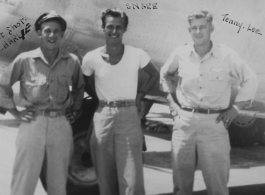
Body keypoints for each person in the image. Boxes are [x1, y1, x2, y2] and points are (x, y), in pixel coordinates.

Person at [160, 10, 259, 195]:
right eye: (194, 28)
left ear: (211, 28)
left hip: (214, 125)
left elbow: (251, 79)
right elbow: (165, 75)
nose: (198, 32)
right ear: (189, 30)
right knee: (181, 185)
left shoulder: (227, 55)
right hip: (184, 124)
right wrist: (171, 102)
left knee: (217, 186)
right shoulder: (180, 53)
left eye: (202, 27)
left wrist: (235, 108)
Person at [0, 11, 85, 195]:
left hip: (61, 126)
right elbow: (2, 86)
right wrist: (16, 113)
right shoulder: (24, 60)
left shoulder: (72, 61)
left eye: (56, 31)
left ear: (62, 34)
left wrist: (76, 110)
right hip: (32, 123)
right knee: (24, 181)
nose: (52, 35)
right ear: (39, 33)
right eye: (47, 31)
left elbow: (79, 88)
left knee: (58, 184)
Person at [82, 8, 159, 195]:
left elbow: (154, 74)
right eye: (109, 27)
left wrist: (140, 95)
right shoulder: (91, 58)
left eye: (119, 27)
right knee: (105, 180)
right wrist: (100, 99)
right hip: (103, 118)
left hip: (128, 116)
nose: (114, 31)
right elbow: (85, 81)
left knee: (133, 182)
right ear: (103, 28)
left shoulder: (137, 54)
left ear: (125, 29)